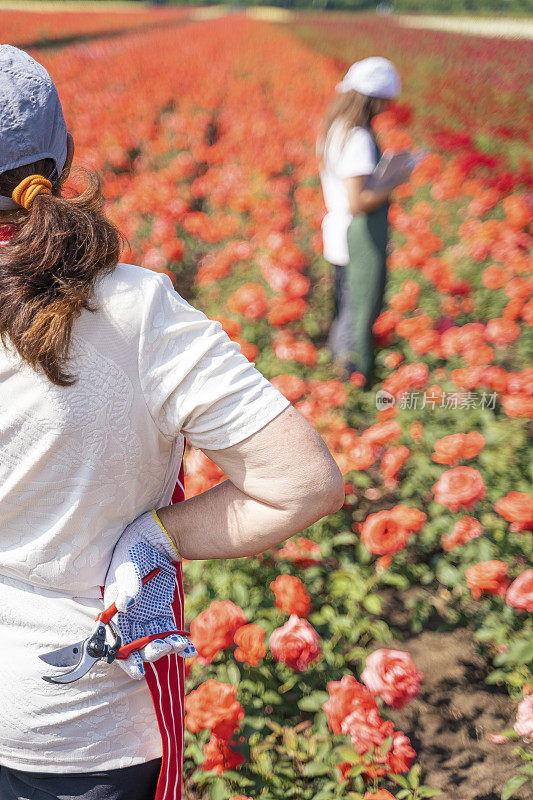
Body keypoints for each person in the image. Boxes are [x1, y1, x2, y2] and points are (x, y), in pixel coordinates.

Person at [0, 46, 345, 800]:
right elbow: (304, 483)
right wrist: (156, 536)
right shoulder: (135, 312)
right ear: (53, 169)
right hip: (73, 725)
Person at [318, 57, 412, 385]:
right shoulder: (357, 137)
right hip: (355, 234)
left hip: (338, 231)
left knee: (345, 305)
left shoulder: (336, 126)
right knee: (357, 311)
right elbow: (359, 201)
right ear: (372, 99)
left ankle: (338, 373)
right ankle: (349, 378)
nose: (385, 108)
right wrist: (397, 178)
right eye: (384, 101)